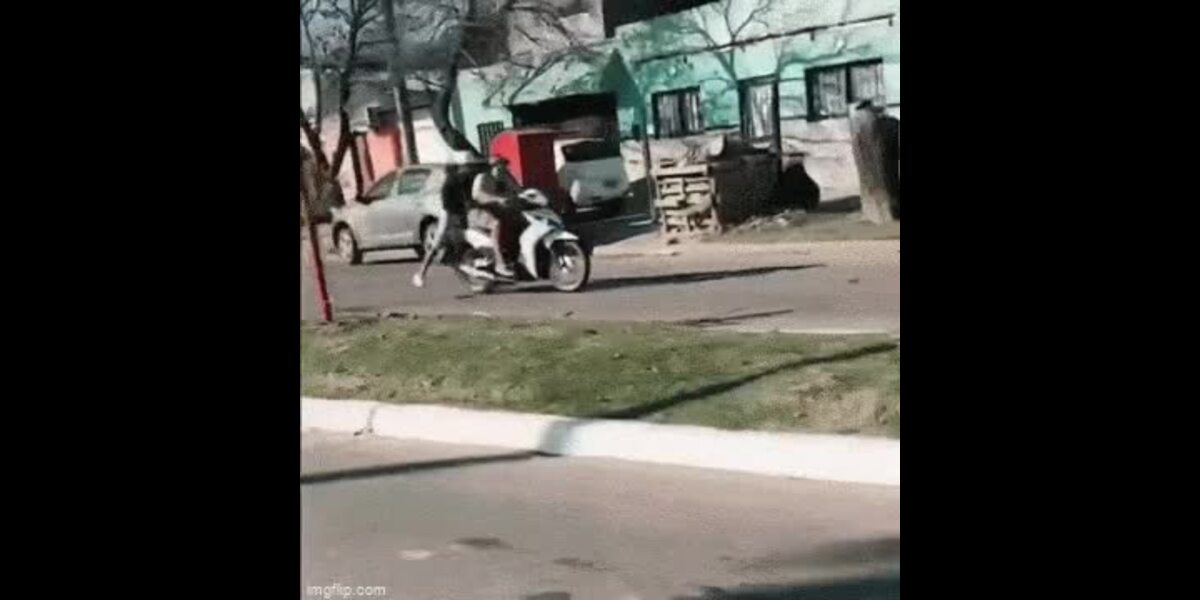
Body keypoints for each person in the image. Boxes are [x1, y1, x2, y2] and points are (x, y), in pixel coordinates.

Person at [411, 163, 470, 288]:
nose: (458, 173)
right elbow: (448, 207)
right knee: (437, 245)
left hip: (455, 217)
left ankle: (467, 280)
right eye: (455, 171)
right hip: (448, 217)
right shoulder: (448, 186)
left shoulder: (457, 184)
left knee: (456, 249)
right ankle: (421, 273)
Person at [469, 157, 519, 278]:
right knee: (496, 224)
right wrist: (497, 199)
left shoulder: (506, 178)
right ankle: (499, 263)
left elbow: (518, 190)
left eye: (503, 165)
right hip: (477, 211)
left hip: (498, 211)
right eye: (498, 166)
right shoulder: (483, 177)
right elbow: (477, 195)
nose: (501, 168)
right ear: (491, 167)